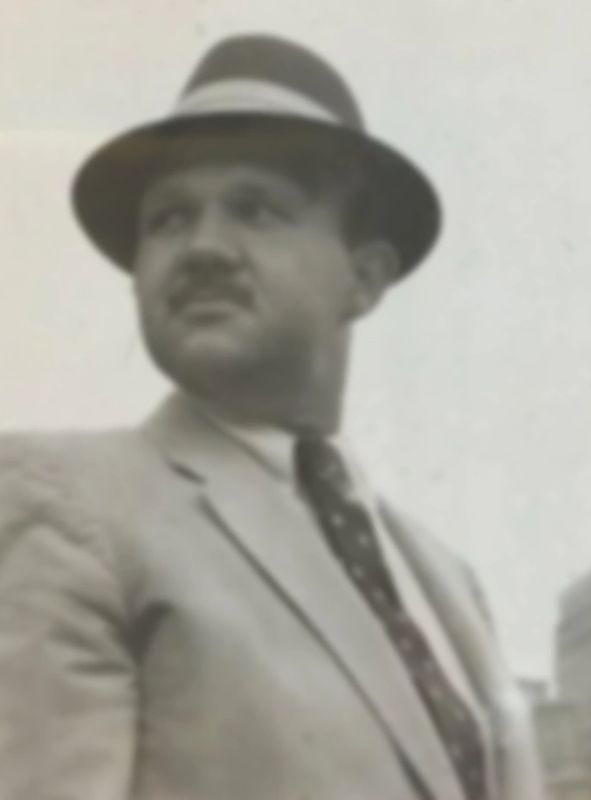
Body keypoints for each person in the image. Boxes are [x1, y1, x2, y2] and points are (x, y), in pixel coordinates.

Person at [0, 35, 541, 800]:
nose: (204, 248)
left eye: (256, 210)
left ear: (364, 277)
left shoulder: (445, 577)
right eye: (167, 220)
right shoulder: (63, 501)